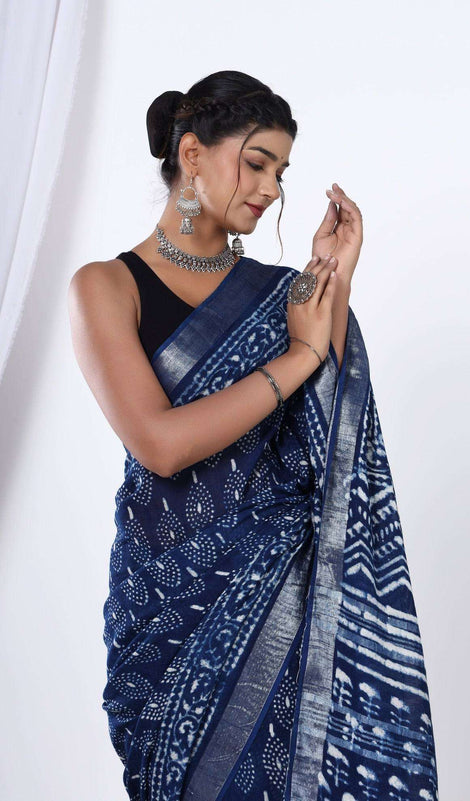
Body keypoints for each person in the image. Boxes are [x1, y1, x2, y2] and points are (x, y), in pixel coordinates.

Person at [68, 69, 439, 801]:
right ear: (193, 154)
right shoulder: (105, 286)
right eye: (258, 162)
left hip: (284, 596)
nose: (270, 188)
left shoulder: (283, 291)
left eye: (282, 172)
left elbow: (334, 435)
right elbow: (159, 444)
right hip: (168, 602)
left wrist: (334, 280)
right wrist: (297, 355)